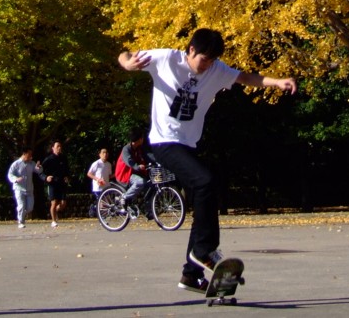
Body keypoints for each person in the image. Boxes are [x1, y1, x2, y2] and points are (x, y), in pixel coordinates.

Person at [117, 28, 296, 293]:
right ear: (190, 50)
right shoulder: (166, 59)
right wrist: (128, 63)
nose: (207, 67)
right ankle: (204, 251)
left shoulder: (216, 69)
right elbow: (124, 54)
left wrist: (276, 81)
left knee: (206, 196)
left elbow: (245, 77)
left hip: (188, 146)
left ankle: (191, 274)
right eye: (204, 60)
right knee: (205, 182)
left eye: (212, 61)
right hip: (164, 142)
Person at [6, 146, 40, 228]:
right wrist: (16, 179)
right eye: (29, 154)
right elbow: (10, 174)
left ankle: (20, 213)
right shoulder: (16, 164)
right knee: (21, 205)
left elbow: (38, 171)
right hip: (19, 188)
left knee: (30, 208)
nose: (30, 156)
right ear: (24, 154)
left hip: (29, 189)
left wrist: (39, 167)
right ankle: (20, 222)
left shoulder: (31, 163)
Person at [114, 128, 149, 206]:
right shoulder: (126, 149)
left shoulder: (139, 148)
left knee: (149, 182)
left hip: (134, 174)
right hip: (124, 175)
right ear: (139, 139)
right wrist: (138, 166)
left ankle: (147, 208)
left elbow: (147, 156)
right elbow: (129, 161)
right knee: (140, 182)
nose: (143, 139)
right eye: (142, 137)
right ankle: (124, 197)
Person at [40, 140, 69, 227]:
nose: (59, 148)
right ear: (53, 148)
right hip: (53, 183)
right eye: (57, 146)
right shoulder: (49, 159)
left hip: (62, 183)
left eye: (60, 146)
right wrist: (46, 177)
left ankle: (56, 211)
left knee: (63, 203)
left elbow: (67, 169)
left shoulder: (63, 158)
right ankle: (53, 221)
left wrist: (67, 176)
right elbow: (40, 171)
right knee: (54, 202)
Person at [86, 147, 112, 216]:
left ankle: (94, 208)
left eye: (106, 153)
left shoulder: (109, 164)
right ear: (100, 154)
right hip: (98, 187)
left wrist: (116, 175)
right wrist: (97, 179)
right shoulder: (96, 163)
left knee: (106, 203)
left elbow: (109, 176)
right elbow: (89, 174)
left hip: (106, 187)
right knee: (102, 203)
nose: (105, 154)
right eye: (103, 152)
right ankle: (102, 217)